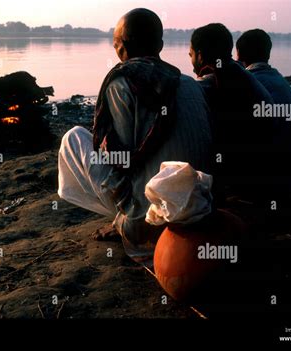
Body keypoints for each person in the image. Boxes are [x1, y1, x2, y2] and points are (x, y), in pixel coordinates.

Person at [58, 8, 212, 263]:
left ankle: (129, 221)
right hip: (202, 208)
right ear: (160, 45)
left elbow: (122, 162)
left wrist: (125, 219)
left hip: (151, 224)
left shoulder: (123, 82)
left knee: (73, 139)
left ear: (119, 48)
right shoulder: (189, 83)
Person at [189, 23, 276, 207]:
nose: (191, 63)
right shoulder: (243, 75)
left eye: (191, 55)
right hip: (265, 171)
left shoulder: (209, 84)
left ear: (200, 55)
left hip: (244, 186)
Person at [236, 29, 291, 219]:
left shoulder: (249, 83)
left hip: (278, 186)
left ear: (239, 55)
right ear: (268, 54)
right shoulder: (278, 80)